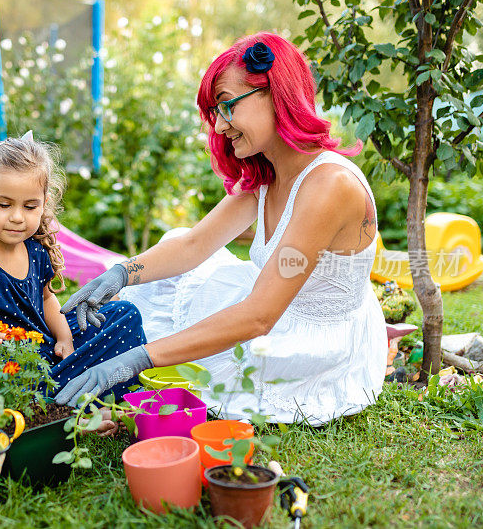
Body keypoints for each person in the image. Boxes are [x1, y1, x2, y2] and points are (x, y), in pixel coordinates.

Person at [56, 33, 387, 426]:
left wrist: (138, 359)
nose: (220, 125)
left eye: (227, 105)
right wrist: (121, 273)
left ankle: (96, 370)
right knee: (173, 242)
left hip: (308, 341)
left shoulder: (330, 186)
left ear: (276, 93)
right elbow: (194, 244)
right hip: (269, 308)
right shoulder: (270, 175)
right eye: (215, 111)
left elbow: (259, 316)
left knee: (172, 346)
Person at [0, 132, 147, 411]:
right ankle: (62, 403)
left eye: (30, 206)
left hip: (40, 356)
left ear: (43, 204)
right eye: (4, 205)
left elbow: (46, 300)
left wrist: (65, 338)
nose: (17, 217)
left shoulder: (35, 249)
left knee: (124, 314)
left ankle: (65, 398)